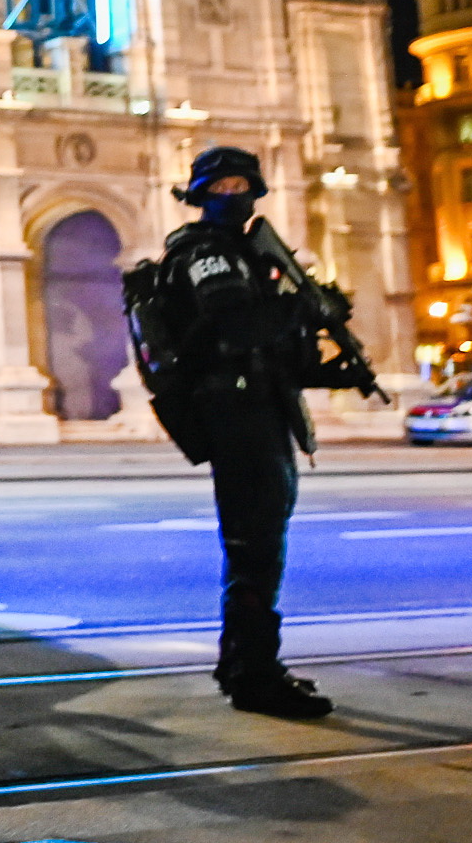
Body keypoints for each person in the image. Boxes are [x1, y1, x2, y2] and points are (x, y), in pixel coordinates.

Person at [138, 145, 373, 719]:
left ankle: (244, 661)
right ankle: (255, 673)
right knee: (254, 549)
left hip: (262, 411)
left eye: (241, 184)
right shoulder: (203, 255)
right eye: (219, 187)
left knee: (263, 544)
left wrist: (331, 367)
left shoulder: (250, 254)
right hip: (233, 415)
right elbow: (234, 327)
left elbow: (272, 353)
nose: (232, 196)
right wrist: (304, 307)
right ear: (199, 196)